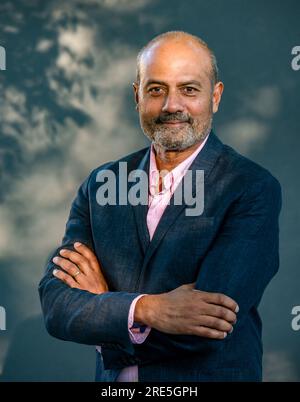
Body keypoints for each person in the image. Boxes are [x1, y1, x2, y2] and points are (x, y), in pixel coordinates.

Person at [39, 31, 282, 382]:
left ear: (215, 97)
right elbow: (57, 306)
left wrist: (106, 313)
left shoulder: (251, 187)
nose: (171, 105)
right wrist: (149, 309)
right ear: (137, 96)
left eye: (189, 89)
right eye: (156, 89)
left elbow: (207, 328)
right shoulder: (102, 183)